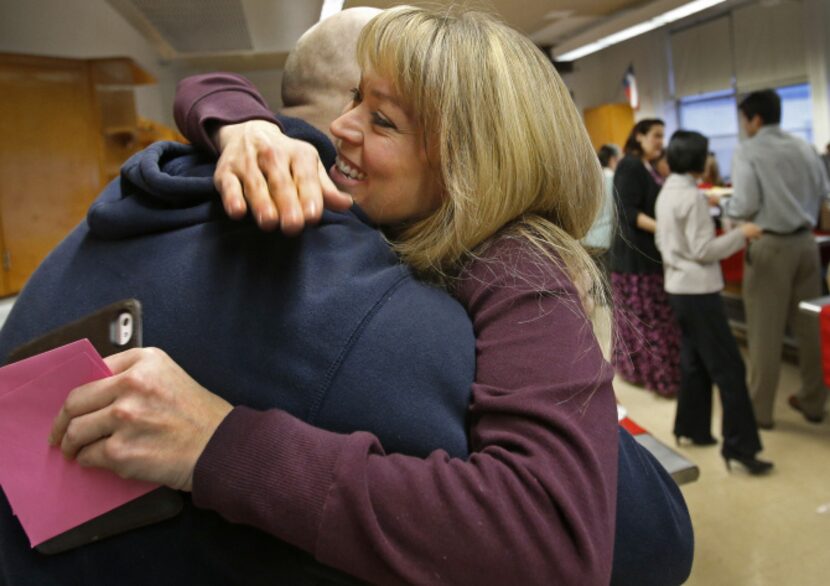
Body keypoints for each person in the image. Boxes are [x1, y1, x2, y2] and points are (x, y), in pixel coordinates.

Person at [43, 7, 691, 585]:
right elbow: (205, 86)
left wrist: (217, 445)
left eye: (380, 118)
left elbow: (551, 543)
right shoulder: (386, 198)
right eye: (354, 96)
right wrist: (249, 128)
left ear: (466, 163)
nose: (338, 127)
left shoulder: (523, 268)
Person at [655, 130, 772, 475]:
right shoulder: (691, 198)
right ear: (696, 160)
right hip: (700, 291)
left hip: (678, 287)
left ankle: (692, 428)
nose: (709, 161)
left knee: (694, 361)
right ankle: (740, 448)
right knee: (730, 369)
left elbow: (664, 239)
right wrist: (743, 235)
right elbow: (704, 251)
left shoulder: (668, 192)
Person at [712, 90, 830, 428]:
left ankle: (761, 412)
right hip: (807, 245)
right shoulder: (805, 147)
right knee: (810, 329)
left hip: (769, 245)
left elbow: (745, 203)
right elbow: (823, 192)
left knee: (765, 332)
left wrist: (725, 208)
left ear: (755, 119)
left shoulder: (749, 150)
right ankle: (813, 402)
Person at [610, 119, 682, 397]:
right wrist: (666, 229)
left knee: (652, 318)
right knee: (647, 320)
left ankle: (653, 373)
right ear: (639, 137)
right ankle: (653, 376)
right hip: (635, 260)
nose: (660, 142)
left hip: (649, 254)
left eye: (663, 136)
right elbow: (628, 211)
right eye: (655, 136)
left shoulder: (649, 167)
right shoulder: (630, 166)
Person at [583, 144, 619, 277]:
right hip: (606, 239)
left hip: (586, 240)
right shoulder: (615, 179)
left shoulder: (590, 179)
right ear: (613, 159)